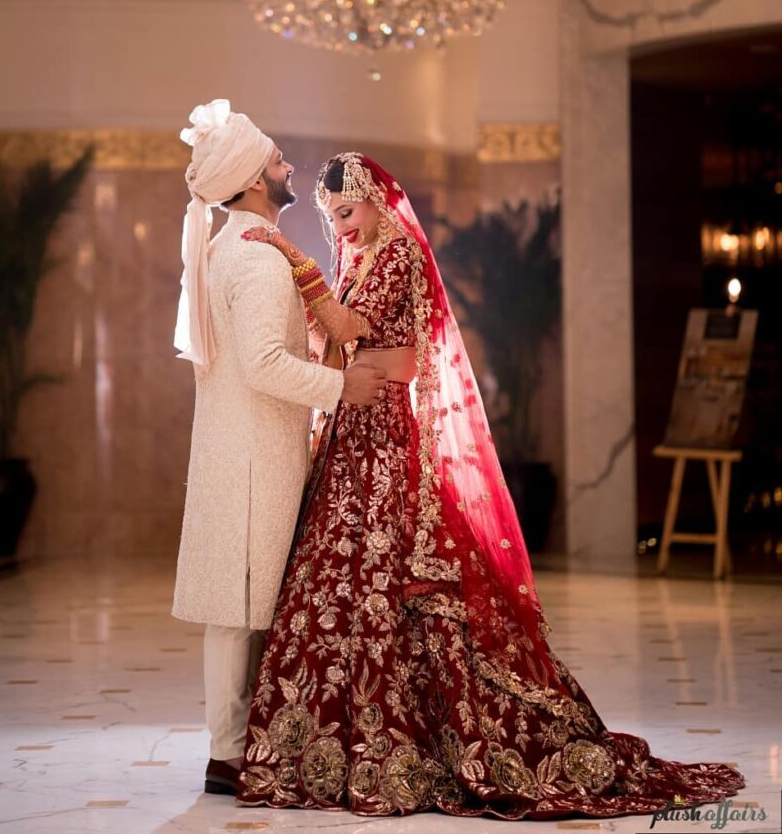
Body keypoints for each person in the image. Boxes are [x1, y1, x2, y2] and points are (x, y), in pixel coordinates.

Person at [236, 152, 744, 819]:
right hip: (351, 429)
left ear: (378, 202)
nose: (343, 229)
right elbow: (333, 339)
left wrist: (289, 256)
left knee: (402, 577)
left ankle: (412, 735)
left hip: (387, 431)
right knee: (339, 582)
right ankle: (333, 740)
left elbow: (352, 328)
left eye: (348, 213)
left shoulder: (397, 255)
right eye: (332, 219)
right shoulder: (357, 258)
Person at [170, 103, 386, 796]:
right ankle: (231, 755)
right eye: (277, 160)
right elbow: (264, 365)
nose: (289, 166)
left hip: (237, 452)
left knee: (242, 611)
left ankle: (236, 748)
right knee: (244, 611)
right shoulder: (259, 262)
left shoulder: (228, 249)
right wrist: (342, 387)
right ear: (256, 182)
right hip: (256, 459)